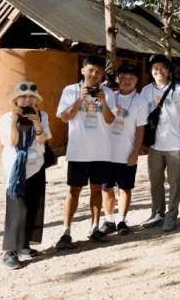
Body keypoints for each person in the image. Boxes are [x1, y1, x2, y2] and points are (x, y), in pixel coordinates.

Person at [56, 56, 116, 247]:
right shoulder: (70, 90)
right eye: (91, 70)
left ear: (102, 74)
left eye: (98, 71)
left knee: (97, 189)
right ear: (83, 71)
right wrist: (80, 99)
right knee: (73, 190)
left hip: (100, 150)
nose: (94, 74)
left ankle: (95, 227)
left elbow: (110, 120)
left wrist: (103, 102)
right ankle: (66, 231)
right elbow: (65, 117)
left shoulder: (108, 92)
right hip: (78, 150)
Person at [0, 81, 52, 269]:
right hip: (15, 169)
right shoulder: (6, 118)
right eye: (23, 96)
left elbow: (43, 138)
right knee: (18, 209)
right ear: (16, 99)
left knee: (33, 206)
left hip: (36, 166)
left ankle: (24, 245)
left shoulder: (42, 115)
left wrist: (36, 122)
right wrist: (14, 120)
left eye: (31, 97)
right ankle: (10, 251)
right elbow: (12, 141)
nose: (27, 100)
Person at [140, 54, 180, 232]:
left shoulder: (177, 88)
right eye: (155, 68)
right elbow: (141, 116)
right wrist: (142, 141)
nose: (159, 71)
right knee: (155, 181)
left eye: (163, 68)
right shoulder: (146, 90)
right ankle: (157, 213)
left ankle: (171, 214)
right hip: (154, 144)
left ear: (169, 70)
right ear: (150, 71)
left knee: (174, 182)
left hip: (174, 144)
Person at [100, 64, 149, 236]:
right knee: (106, 187)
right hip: (106, 152)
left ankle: (121, 220)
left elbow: (140, 129)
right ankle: (109, 220)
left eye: (131, 78)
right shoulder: (110, 97)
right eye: (123, 77)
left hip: (126, 151)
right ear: (117, 78)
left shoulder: (141, 101)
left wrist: (135, 152)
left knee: (125, 188)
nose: (127, 81)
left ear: (137, 80)